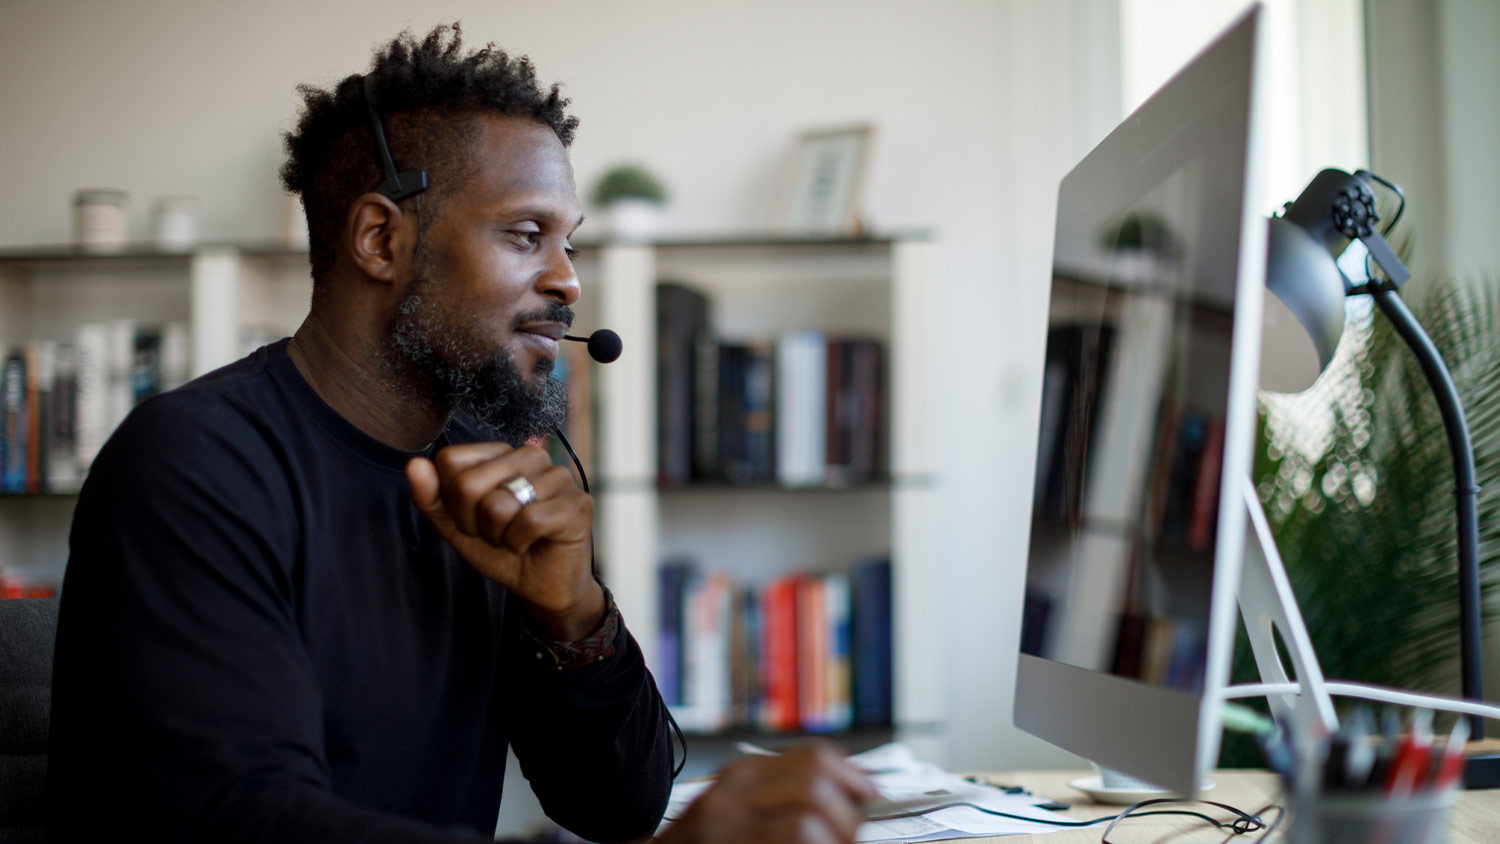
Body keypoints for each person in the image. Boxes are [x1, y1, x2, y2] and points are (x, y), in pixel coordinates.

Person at [44, 22, 876, 844]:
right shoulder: (194, 464)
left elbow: (619, 806)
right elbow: (248, 820)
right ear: (380, 239)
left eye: (570, 242)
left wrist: (572, 617)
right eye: (526, 234)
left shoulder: (484, 470)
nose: (568, 280)